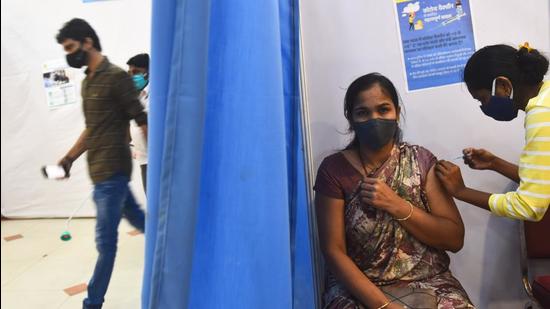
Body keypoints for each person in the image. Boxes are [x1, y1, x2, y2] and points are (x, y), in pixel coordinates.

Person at [315, 73, 473, 308]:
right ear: (350, 118)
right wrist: (384, 306)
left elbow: (453, 238)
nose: (374, 119)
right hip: (360, 288)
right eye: (363, 113)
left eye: (383, 110)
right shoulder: (334, 170)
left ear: (397, 113)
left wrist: (396, 205)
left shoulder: (420, 161)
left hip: (429, 281)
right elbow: (333, 250)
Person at [55, 18, 147, 309]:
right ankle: (177, 247)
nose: (69, 54)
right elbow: (92, 129)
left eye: (71, 47)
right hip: (98, 170)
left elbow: (140, 119)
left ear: (87, 42)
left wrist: (159, 162)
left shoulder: (116, 76)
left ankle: (92, 303)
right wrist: (69, 158)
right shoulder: (88, 81)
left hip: (113, 172)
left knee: (105, 244)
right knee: (140, 220)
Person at [435, 43, 549, 222]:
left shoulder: (542, 112)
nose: (484, 106)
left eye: (483, 98)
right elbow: (543, 181)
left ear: (503, 85)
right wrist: (494, 163)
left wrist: (462, 192)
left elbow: (529, 206)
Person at [126, 53, 149, 194]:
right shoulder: (136, 96)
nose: (132, 76)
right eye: (129, 73)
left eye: (136, 72)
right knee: (151, 197)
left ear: (148, 72)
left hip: (156, 159)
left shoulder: (157, 95)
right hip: (143, 158)